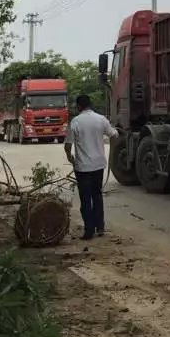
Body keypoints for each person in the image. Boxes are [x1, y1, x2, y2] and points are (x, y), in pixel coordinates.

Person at [64, 94, 118, 240]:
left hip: (83, 168)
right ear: (90, 105)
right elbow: (114, 134)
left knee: (86, 199)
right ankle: (100, 227)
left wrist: (70, 158)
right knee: (97, 195)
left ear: (79, 106)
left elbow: (68, 145)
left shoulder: (75, 122)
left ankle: (89, 231)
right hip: (98, 165)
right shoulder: (101, 119)